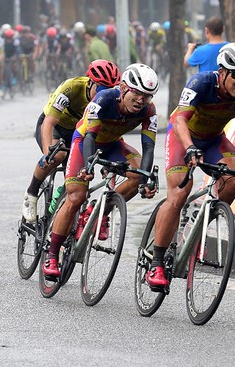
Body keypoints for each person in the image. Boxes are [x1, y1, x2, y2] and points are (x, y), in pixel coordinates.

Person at [145, 43, 235, 289]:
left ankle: (199, 220)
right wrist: (191, 147)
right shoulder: (201, 83)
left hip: (214, 140)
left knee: (234, 178)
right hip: (183, 137)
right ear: (222, 72)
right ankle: (157, 262)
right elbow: (180, 119)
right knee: (179, 194)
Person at [42, 63, 160, 280]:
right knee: (76, 196)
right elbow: (89, 137)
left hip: (112, 144)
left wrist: (146, 179)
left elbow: (149, 147)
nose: (142, 100)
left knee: (137, 174)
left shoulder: (149, 111)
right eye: (137, 94)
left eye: (147, 96)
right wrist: (88, 167)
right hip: (84, 142)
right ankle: (51, 252)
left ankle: (99, 211)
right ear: (123, 88)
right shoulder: (104, 99)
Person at [21, 60, 121, 223]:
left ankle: (62, 199)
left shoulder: (109, 100)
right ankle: (31, 193)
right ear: (90, 83)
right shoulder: (72, 88)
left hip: (77, 133)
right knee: (57, 155)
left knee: (80, 178)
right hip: (56, 126)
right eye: (100, 89)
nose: (102, 95)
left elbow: (108, 133)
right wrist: (48, 153)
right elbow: (49, 122)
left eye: (107, 91)